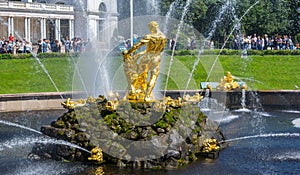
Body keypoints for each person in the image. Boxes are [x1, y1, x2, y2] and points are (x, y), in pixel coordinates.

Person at [122, 21, 167, 101]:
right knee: (153, 77)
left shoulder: (149, 36)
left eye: (150, 28)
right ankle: (147, 96)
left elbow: (137, 46)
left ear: (153, 27)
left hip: (147, 57)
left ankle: (132, 90)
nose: (150, 30)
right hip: (157, 58)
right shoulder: (163, 37)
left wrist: (128, 52)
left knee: (139, 74)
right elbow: (161, 49)